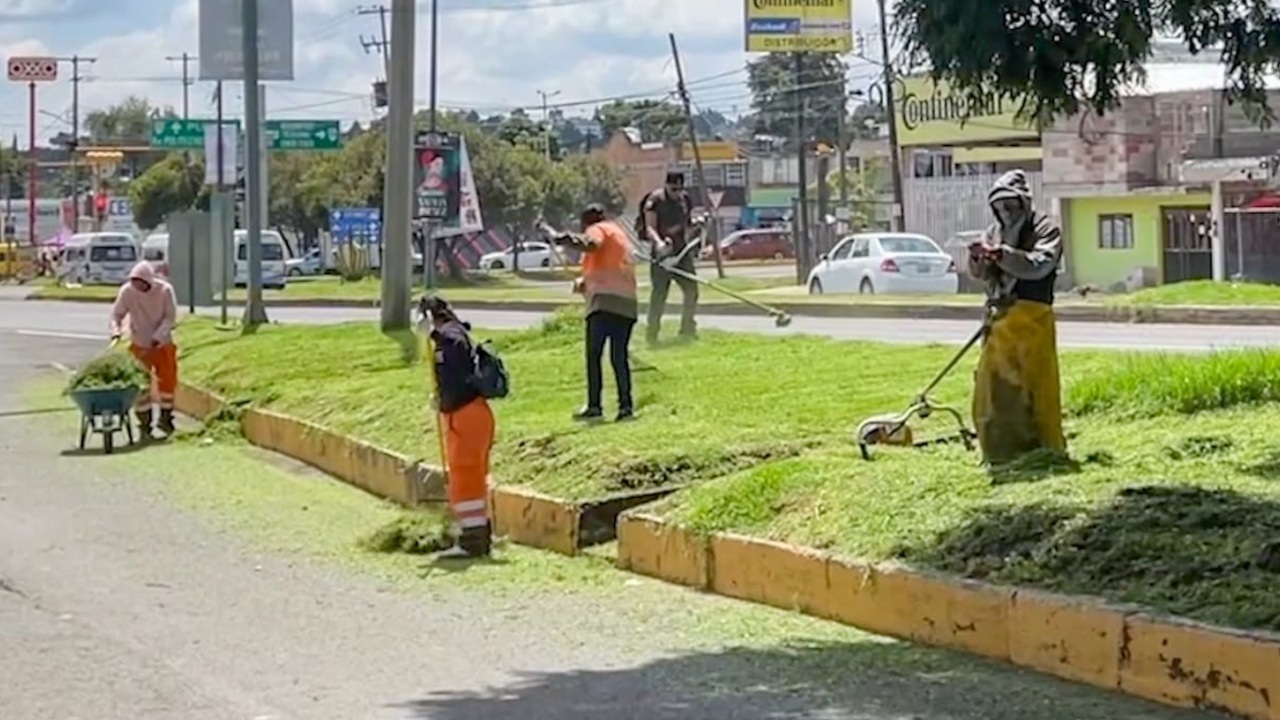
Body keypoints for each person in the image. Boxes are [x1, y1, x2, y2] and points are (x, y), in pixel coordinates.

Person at [967, 169, 1067, 466]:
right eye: (999, 207)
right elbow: (982, 274)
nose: (1005, 212)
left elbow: (1039, 265)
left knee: (1035, 388)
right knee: (993, 389)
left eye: (1010, 205)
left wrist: (1004, 256)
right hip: (1000, 319)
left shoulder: (1045, 230)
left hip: (1031, 318)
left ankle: (1041, 449)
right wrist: (978, 259)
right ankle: (999, 452)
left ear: (1024, 203)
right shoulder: (993, 232)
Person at [421, 295, 495, 558]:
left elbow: (453, 349)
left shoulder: (451, 335)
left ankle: (471, 542)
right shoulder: (452, 332)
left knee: (466, 478)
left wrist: (435, 336)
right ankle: (479, 535)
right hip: (467, 415)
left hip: (466, 416)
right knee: (471, 476)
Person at [550, 203, 639, 422]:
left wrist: (564, 239)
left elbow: (591, 244)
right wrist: (585, 282)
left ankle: (594, 406)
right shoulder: (619, 234)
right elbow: (608, 265)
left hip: (603, 303)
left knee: (594, 355)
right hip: (627, 303)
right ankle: (626, 407)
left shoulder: (597, 229)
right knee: (619, 357)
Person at [109, 261, 179, 438]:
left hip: (162, 344)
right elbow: (117, 314)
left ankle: (165, 417)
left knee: (167, 381)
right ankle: (144, 422)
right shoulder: (127, 292)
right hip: (139, 345)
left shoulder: (164, 291)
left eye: (141, 283)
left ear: (149, 281)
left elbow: (170, 317)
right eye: (135, 282)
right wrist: (115, 331)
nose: (138, 286)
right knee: (140, 385)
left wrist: (158, 337)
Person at [640, 171, 700, 344]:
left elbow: (687, 225)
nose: (677, 193)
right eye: (674, 189)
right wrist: (658, 243)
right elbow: (649, 227)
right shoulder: (655, 201)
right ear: (666, 185)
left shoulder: (685, 200)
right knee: (659, 294)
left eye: (680, 189)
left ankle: (687, 329)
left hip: (681, 253)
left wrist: (697, 225)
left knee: (692, 290)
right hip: (662, 255)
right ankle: (652, 334)